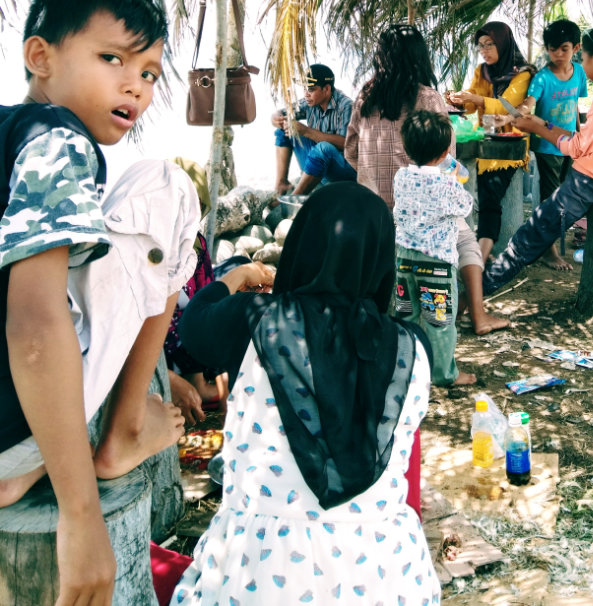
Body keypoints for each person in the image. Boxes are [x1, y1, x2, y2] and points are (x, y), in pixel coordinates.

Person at [0, 0, 201, 606]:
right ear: (41, 56)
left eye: (148, 72)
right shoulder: (59, 139)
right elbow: (34, 322)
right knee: (168, 189)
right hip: (12, 440)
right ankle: (121, 434)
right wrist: (81, 514)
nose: (133, 86)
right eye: (112, 58)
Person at [173, 183, 442, 606]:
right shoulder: (415, 348)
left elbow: (193, 325)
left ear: (301, 244)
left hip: (263, 568)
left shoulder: (255, 322)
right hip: (384, 569)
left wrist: (238, 275)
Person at [346, 23, 507, 336]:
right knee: (467, 239)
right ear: (420, 57)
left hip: (372, 211)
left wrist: (371, 175)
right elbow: (446, 160)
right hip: (423, 220)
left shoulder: (365, 95)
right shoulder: (429, 98)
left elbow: (350, 151)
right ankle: (479, 315)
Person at [484, 26, 593, 293]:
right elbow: (589, 137)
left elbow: (578, 147)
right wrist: (544, 123)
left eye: (584, 57)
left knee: (528, 237)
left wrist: (538, 129)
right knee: (537, 228)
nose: (582, 63)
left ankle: (477, 292)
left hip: (591, 180)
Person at [394, 110, 477, 387]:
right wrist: (454, 179)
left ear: (407, 148)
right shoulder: (446, 183)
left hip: (403, 262)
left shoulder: (400, 178)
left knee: (407, 315)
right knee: (440, 323)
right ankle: (444, 374)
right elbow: (466, 206)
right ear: (445, 152)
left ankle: (406, 369)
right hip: (437, 267)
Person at [447, 21, 535, 264]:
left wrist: (473, 97)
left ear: (503, 43)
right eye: (480, 46)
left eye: (489, 45)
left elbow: (506, 105)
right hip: (485, 142)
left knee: (489, 199)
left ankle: (480, 257)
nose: (484, 50)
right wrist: (458, 100)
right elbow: (473, 105)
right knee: (481, 199)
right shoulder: (481, 71)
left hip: (508, 145)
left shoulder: (523, 73)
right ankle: (481, 253)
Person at [520, 18, 588, 270]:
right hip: (548, 147)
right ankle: (548, 252)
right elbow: (530, 102)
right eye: (552, 49)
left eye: (564, 49)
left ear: (576, 48)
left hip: (572, 146)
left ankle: (548, 245)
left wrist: (582, 140)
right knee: (551, 200)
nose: (558, 54)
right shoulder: (542, 78)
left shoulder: (579, 73)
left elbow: (577, 109)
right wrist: (522, 110)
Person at [164, 158, 226, 425]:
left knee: (213, 324)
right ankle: (195, 386)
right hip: (163, 324)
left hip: (190, 315)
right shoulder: (156, 241)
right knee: (181, 328)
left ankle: (211, 388)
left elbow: (207, 288)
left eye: (198, 205)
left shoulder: (199, 244)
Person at [271, 64, 356, 196]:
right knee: (285, 129)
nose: (306, 94)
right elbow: (283, 112)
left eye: (310, 89)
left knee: (324, 148)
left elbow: (346, 143)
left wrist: (305, 131)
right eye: (304, 89)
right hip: (317, 164)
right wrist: (276, 118)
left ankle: (294, 198)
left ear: (326, 89)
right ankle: (281, 183)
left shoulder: (346, 106)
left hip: (342, 169)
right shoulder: (310, 101)